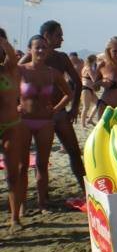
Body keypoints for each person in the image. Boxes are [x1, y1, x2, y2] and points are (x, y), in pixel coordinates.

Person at [20, 21, 85, 191]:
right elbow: (13, 78)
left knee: (74, 151)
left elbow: (77, 82)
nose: (62, 39)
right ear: (47, 35)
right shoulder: (29, 57)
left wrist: (74, 107)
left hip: (58, 112)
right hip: (34, 115)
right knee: (38, 158)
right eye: (59, 35)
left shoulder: (61, 58)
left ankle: (85, 190)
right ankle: (42, 197)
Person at [19, 35, 72, 213]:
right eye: (37, 47)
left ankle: (42, 204)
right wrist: (14, 106)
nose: (41, 50)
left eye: (44, 47)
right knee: (22, 166)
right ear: (30, 50)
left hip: (45, 122)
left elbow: (68, 94)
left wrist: (56, 109)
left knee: (42, 164)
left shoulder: (52, 73)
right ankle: (22, 205)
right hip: (23, 121)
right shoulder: (21, 70)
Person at [0, 30, 25, 232]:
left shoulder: (9, 69)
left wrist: (3, 41)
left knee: (12, 173)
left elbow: (12, 57)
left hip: (10, 125)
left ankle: (15, 218)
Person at [96, 36, 117, 118]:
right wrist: (101, 82)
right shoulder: (102, 65)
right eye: (115, 51)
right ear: (108, 51)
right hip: (105, 106)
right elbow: (95, 88)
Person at [80, 54, 98, 128]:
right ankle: (83, 124)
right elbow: (94, 79)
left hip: (89, 89)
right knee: (86, 107)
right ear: (93, 60)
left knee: (98, 103)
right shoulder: (88, 68)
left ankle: (90, 119)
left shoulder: (85, 67)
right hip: (86, 88)